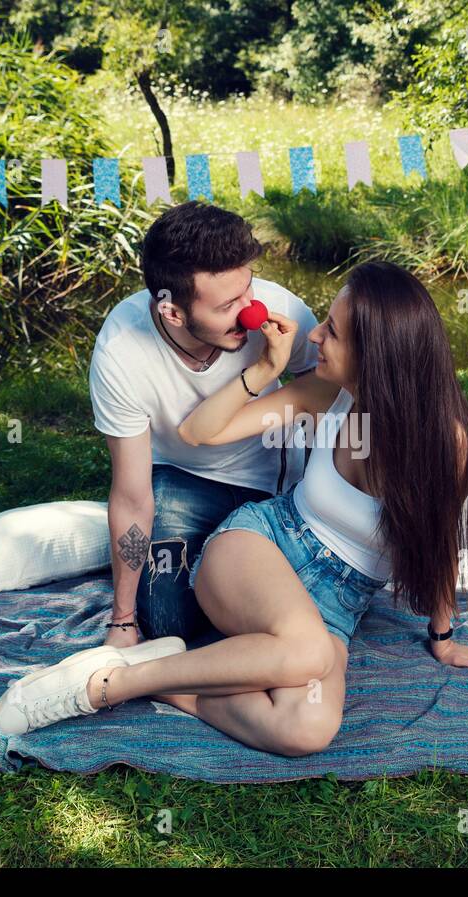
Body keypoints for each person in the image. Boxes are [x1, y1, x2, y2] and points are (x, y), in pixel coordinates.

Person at [0, 261, 468, 755]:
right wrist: (266, 367)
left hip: (337, 602)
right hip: (260, 546)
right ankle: (102, 686)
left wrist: (444, 639)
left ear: (376, 352)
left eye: (331, 332)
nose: (314, 336)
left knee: (306, 728)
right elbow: (200, 431)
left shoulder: (442, 441)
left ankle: (166, 669)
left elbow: (438, 538)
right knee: (307, 654)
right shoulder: (324, 395)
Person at [89, 202, 320, 649]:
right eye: (228, 305)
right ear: (172, 312)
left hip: (276, 483)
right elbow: (132, 494)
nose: (251, 313)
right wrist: (121, 620)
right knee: (166, 622)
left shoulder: (279, 308)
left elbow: (324, 390)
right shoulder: (121, 352)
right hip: (184, 480)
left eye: (248, 290)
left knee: (307, 603)